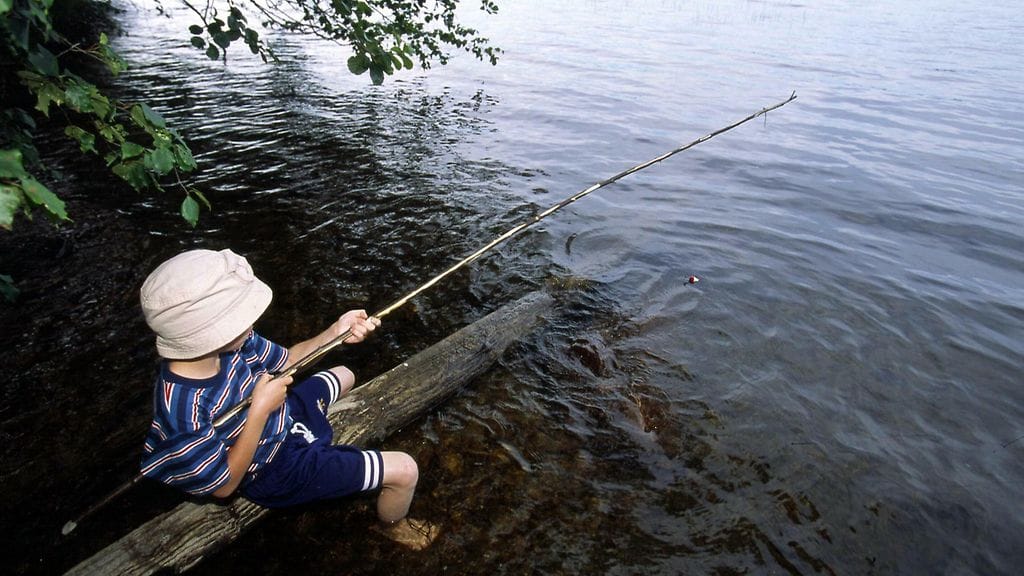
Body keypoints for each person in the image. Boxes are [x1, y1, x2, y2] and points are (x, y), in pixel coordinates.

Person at [138, 248, 436, 549]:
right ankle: (392, 527)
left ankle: (318, 439)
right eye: (242, 317)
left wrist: (335, 332)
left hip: (283, 417)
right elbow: (224, 486)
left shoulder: (232, 342)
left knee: (345, 373)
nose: (252, 324)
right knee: (405, 470)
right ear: (207, 332)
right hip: (271, 468)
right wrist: (259, 412)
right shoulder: (181, 407)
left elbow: (286, 361)